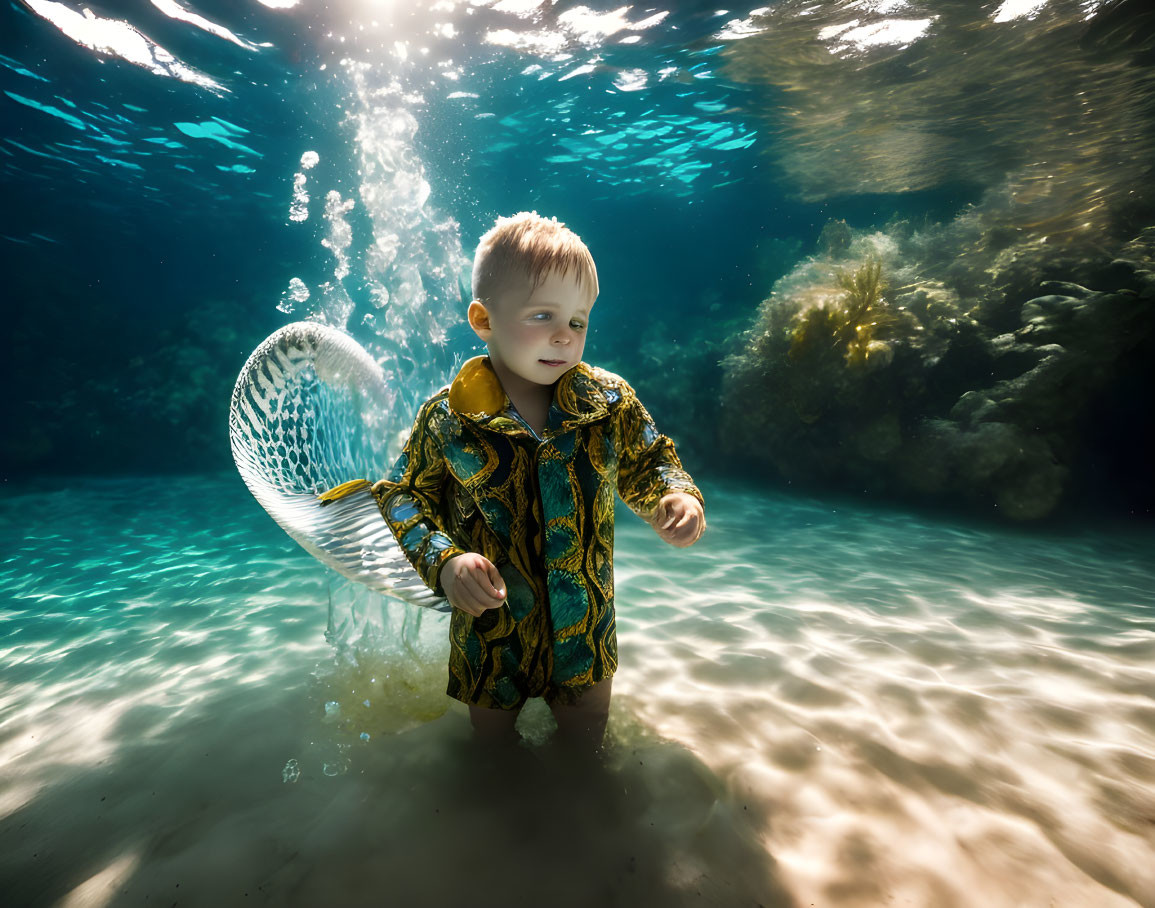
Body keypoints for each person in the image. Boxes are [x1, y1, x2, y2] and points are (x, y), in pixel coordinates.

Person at [370, 211, 706, 752]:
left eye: (578, 321)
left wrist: (675, 495)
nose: (563, 336)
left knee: (586, 742)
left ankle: (581, 811)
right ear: (483, 319)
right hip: (491, 632)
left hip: (586, 628)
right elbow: (404, 498)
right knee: (492, 749)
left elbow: (651, 460)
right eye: (543, 314)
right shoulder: (447, 417)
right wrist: (446, 560)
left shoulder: (609, 401)